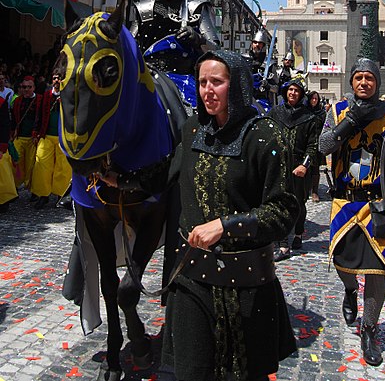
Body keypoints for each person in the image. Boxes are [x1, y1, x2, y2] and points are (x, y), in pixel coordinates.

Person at [103, 50, 298, 381]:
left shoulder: (267, 136)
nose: (207, 90)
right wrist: (121, 180)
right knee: (190, 373)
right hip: (192, 281)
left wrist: (226, 225)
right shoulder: (193, 129)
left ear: (236, 85)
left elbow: (284, 212)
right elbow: (166, 172)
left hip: (247, 287)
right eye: (202, 82)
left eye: (217, 82)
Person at [319, 58, 385, 367]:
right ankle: (348, 291)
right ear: (351, 81)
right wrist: (350, 122)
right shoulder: (337, 111)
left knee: (376, 269)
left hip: (377, 204)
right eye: (358, 77)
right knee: (344, 264)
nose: (363, 83)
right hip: (346, 202)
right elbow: (324, 146)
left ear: (377, 82)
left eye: (369, 78)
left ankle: (369, 329)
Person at [268, 74, 318, 259]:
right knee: (278, 202)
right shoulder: (275, 113)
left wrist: (305, 166)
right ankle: (282, 244)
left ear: (301, 94)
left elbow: (313, 146)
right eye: (290, 89)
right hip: (278, 163)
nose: (293, 93)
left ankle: (298, 234)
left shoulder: (309, 118)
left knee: (298, 204)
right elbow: (267, 135)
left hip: (298, 166)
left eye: (296, 90)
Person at [30, 74, 71, 209]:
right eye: (54, 78)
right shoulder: (46, 96)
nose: (56, 81)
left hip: (62, 137)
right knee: (42, 165)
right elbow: (39, 114)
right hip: (46, 135)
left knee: (63, 167)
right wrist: (36, 132)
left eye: (59, 78)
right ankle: (43, 195)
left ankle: (61, 195)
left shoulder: (68, 95)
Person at [10, 76, 41, 190]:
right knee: (16, 162)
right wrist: (11, 134)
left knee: (31, 165)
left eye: (29, 87)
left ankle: (30, 187)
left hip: (32, 138)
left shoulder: (40, 100)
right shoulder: (17, 101)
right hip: (19, 137)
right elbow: (13, 119)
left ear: (34, 87)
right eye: (24, 87)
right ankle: (16, 185)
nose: (26, 89)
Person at [307, 90, 326, 202]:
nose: (314, 100)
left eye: (316, 98)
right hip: (306, 143)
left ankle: (315, 191)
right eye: (312, 98)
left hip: (317, 143)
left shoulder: (321, 113)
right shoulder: (304, 112)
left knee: (315, 169)